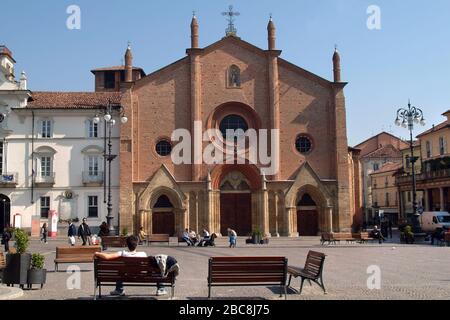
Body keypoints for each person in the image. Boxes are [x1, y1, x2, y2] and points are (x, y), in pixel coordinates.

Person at [94, 235, 167, 296]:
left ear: (127, 244)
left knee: (120, 270)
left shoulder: (123, 253)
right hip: (141, 276)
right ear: (137, 244)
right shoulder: (143, 254)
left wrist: (97, 253)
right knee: (155, 269)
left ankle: (119, 289)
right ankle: (161, 289)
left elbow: (108, 257)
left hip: (127, 275)